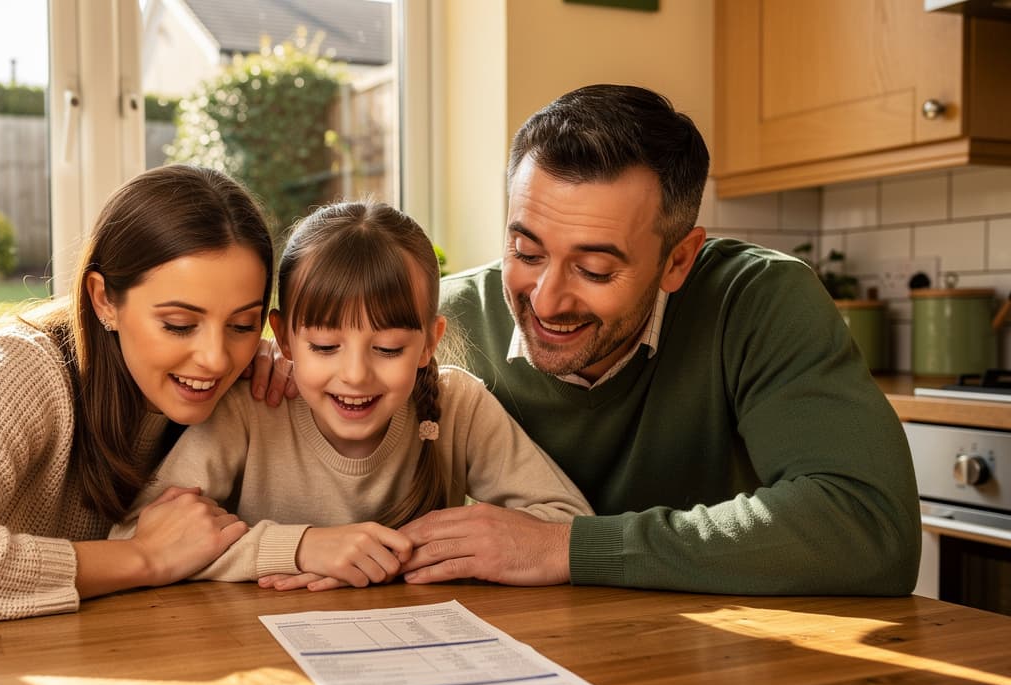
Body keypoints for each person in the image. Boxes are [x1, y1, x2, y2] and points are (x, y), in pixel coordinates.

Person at [391, 84, 919, 595]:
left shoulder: (756, 301)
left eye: (595, 269)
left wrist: (565, 547)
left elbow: (870, 527)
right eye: (526, 253)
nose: (547, 301)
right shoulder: (435, 323)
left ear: (678, 260)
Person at [0, 164, 274, 631]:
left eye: (241, 324)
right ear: (104, 300)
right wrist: (142, 556)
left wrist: (309, 376)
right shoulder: (19, 368)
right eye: (177, 324)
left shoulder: (249, 376)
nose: (215, 359)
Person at [110, 201, 592, 590]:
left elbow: (567, 525)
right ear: (283, 337)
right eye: (324, 346)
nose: (356, 375)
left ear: (429, 341)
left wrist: (388, 558)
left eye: (387, 348)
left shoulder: (458, 405)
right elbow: (137, 537)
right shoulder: (249, 409)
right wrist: (300, 548)